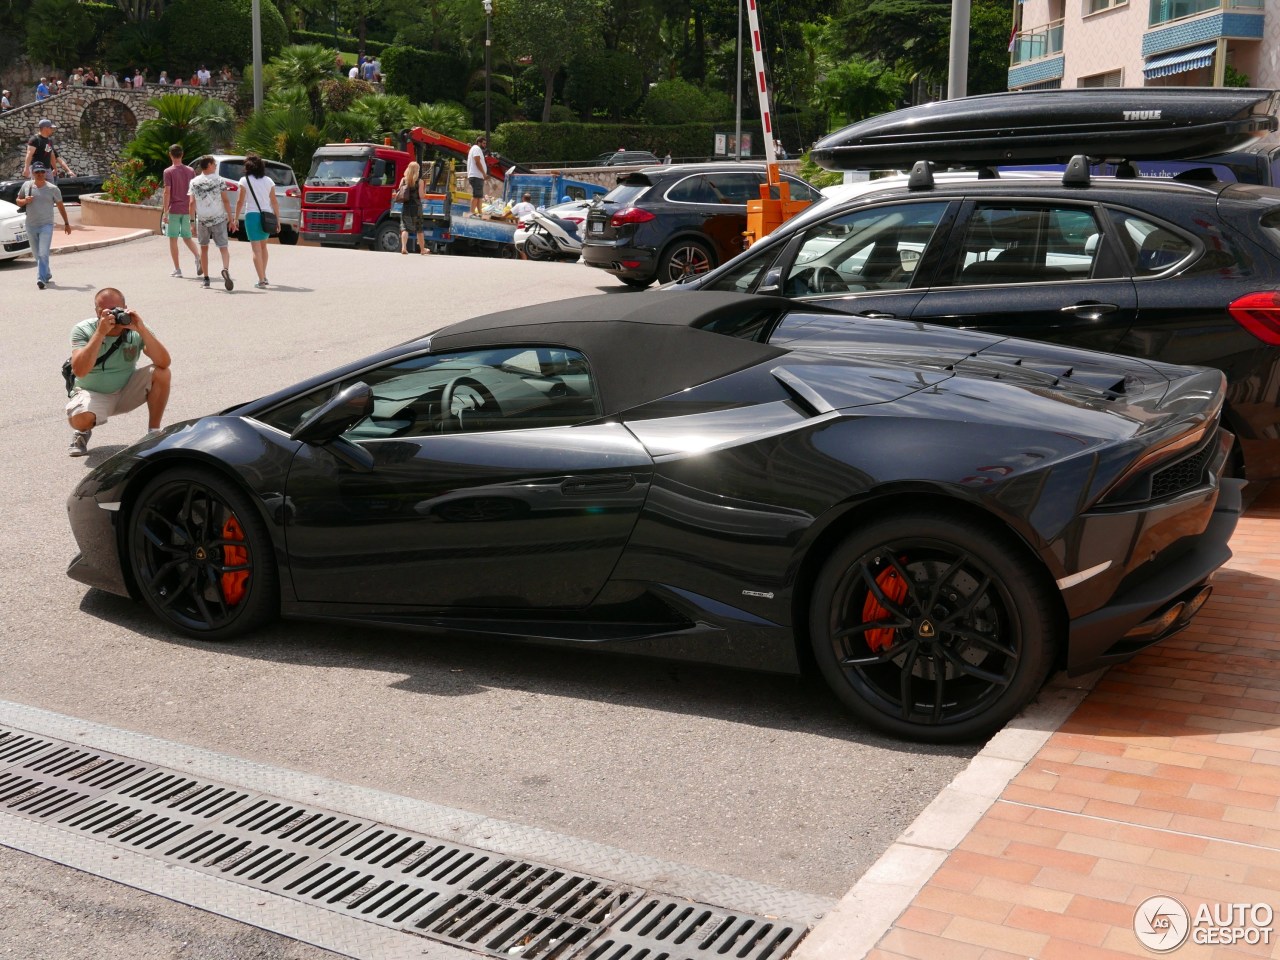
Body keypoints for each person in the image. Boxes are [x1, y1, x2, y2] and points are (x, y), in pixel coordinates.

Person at [66, 288, 172, 457]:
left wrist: (142, 329)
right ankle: (83, 432)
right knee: (80, 419)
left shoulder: (135, 327)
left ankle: (153, 432)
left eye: (117, 309)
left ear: (126, 307)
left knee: (162, 373)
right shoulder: (84, 329)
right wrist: (100, 333)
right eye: (105, 312)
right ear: (97, 312)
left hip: (126, 391)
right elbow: (80, 370)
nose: (112, 316)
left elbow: (164, 362)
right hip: (93, 394)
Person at [15, 162, 71, 290]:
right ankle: (47, 273)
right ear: (33, 173)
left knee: (43, 253)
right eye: (37, 172)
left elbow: (61, 207)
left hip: (46, 225)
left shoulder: (53, 189)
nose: (40, 174)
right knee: (36, 254)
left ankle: (40, 279)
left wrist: (66, 224)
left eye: (42, 172)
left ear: (46, 173)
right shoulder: (27, 185)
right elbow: (18, 201)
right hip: (31, 225)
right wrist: (25, 201)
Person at [188, 154, 237, 290]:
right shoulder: (220, 180)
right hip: (219, 218)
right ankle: (225, 269)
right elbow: (226, 200)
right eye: (214, 164)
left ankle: (206, 279)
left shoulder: (194, 182)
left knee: (204, 248)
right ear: (208, 165)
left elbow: (191, 203)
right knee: (223, 247)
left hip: (202, 220)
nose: (216, 166)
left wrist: (192, 222)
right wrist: (231, 219)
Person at [234, 153, 280, 289]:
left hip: (252, 216)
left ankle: (260, 280)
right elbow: (274, 202)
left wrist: (236, 218)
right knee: (263, 247)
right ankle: (263, 275)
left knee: (256, 249)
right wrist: (277, 219)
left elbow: (240, 201)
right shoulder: (268, 181)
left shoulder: (244, 180)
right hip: (267, 216)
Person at [160, 143, 200, 278]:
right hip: (188, 208)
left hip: (174, 209)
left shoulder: (168, 172)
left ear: (170, 155)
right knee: (187, 237)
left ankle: (177, 269)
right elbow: (194, 191)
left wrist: (165, 212)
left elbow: (167, 192)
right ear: (182, 154)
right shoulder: (190, 171)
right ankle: (197, 256)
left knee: (173, 239)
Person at [396, 160, 429, 256]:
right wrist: (425, 191)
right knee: (419, 229)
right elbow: (422, 196)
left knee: (405, 228)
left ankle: (403, 248)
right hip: (416, 207)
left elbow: (400, 191)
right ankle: (422, 250)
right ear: (417, 170)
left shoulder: (403, 180)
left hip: (406, 206)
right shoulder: (420, 181)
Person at [467, 135, 489, 217]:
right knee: (476, 195)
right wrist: (484, 173)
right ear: (478, 142)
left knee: (479, 196)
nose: (485, 145)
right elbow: (477, 162)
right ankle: (471, 213)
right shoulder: (476, 148)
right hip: (476, 176)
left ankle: (480, 213)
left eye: (485, 143)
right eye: (483, 143)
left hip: (478, 176)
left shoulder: (475, 149)